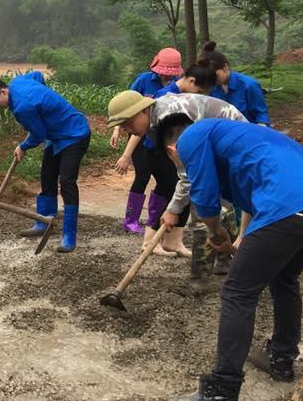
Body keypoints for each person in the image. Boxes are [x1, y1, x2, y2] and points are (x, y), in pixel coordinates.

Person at [160, 116, 303, 401]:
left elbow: (204, 199)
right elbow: (254, 203)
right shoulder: (249, 140)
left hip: (288, 209)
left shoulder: (193, 137)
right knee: (284, 279)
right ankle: (281, 360)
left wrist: (219, 235)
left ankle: (221, 393)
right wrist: (242, 240)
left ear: (172, 149)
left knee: (238, 291)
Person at [106, 91, 246, 256]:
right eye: (122, 125)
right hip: (213, 146)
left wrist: (173, 210)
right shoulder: (153, 125)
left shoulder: (170, 119)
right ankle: (226, 259)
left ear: (143, 110)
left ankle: (237, 256)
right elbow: (183, 170)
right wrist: (175, 207)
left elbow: (188, 172)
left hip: (236, 143)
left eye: (128, 122)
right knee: (206, 201)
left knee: (219, 202)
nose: (126, 129)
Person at [0, 72, 91, 253]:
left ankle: (69, 235)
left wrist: (23, 146)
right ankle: (44, 221)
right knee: (47, 177)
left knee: (67, 181)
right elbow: (38, 76)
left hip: (74, 133)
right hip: (55, 136)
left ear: (3, 92)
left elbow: (37, 135)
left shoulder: (23, 107)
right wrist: (45, 104)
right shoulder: (18, 82)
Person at [112, 48, 183, 234]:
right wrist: (118, 130)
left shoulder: (177, 85)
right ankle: (130, 220)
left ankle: (153, 220)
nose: (166, 76)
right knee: (142, 175)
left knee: (163, 178)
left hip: (161, 137)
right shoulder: (143, 80)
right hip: (137, 134)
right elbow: (124, 107)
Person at [199, 42, 271, 126]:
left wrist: (260, 128)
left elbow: (261, 114)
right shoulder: (213, 88)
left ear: (225, 67)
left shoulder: (249, 85)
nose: (212, 80)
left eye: (216, 75)